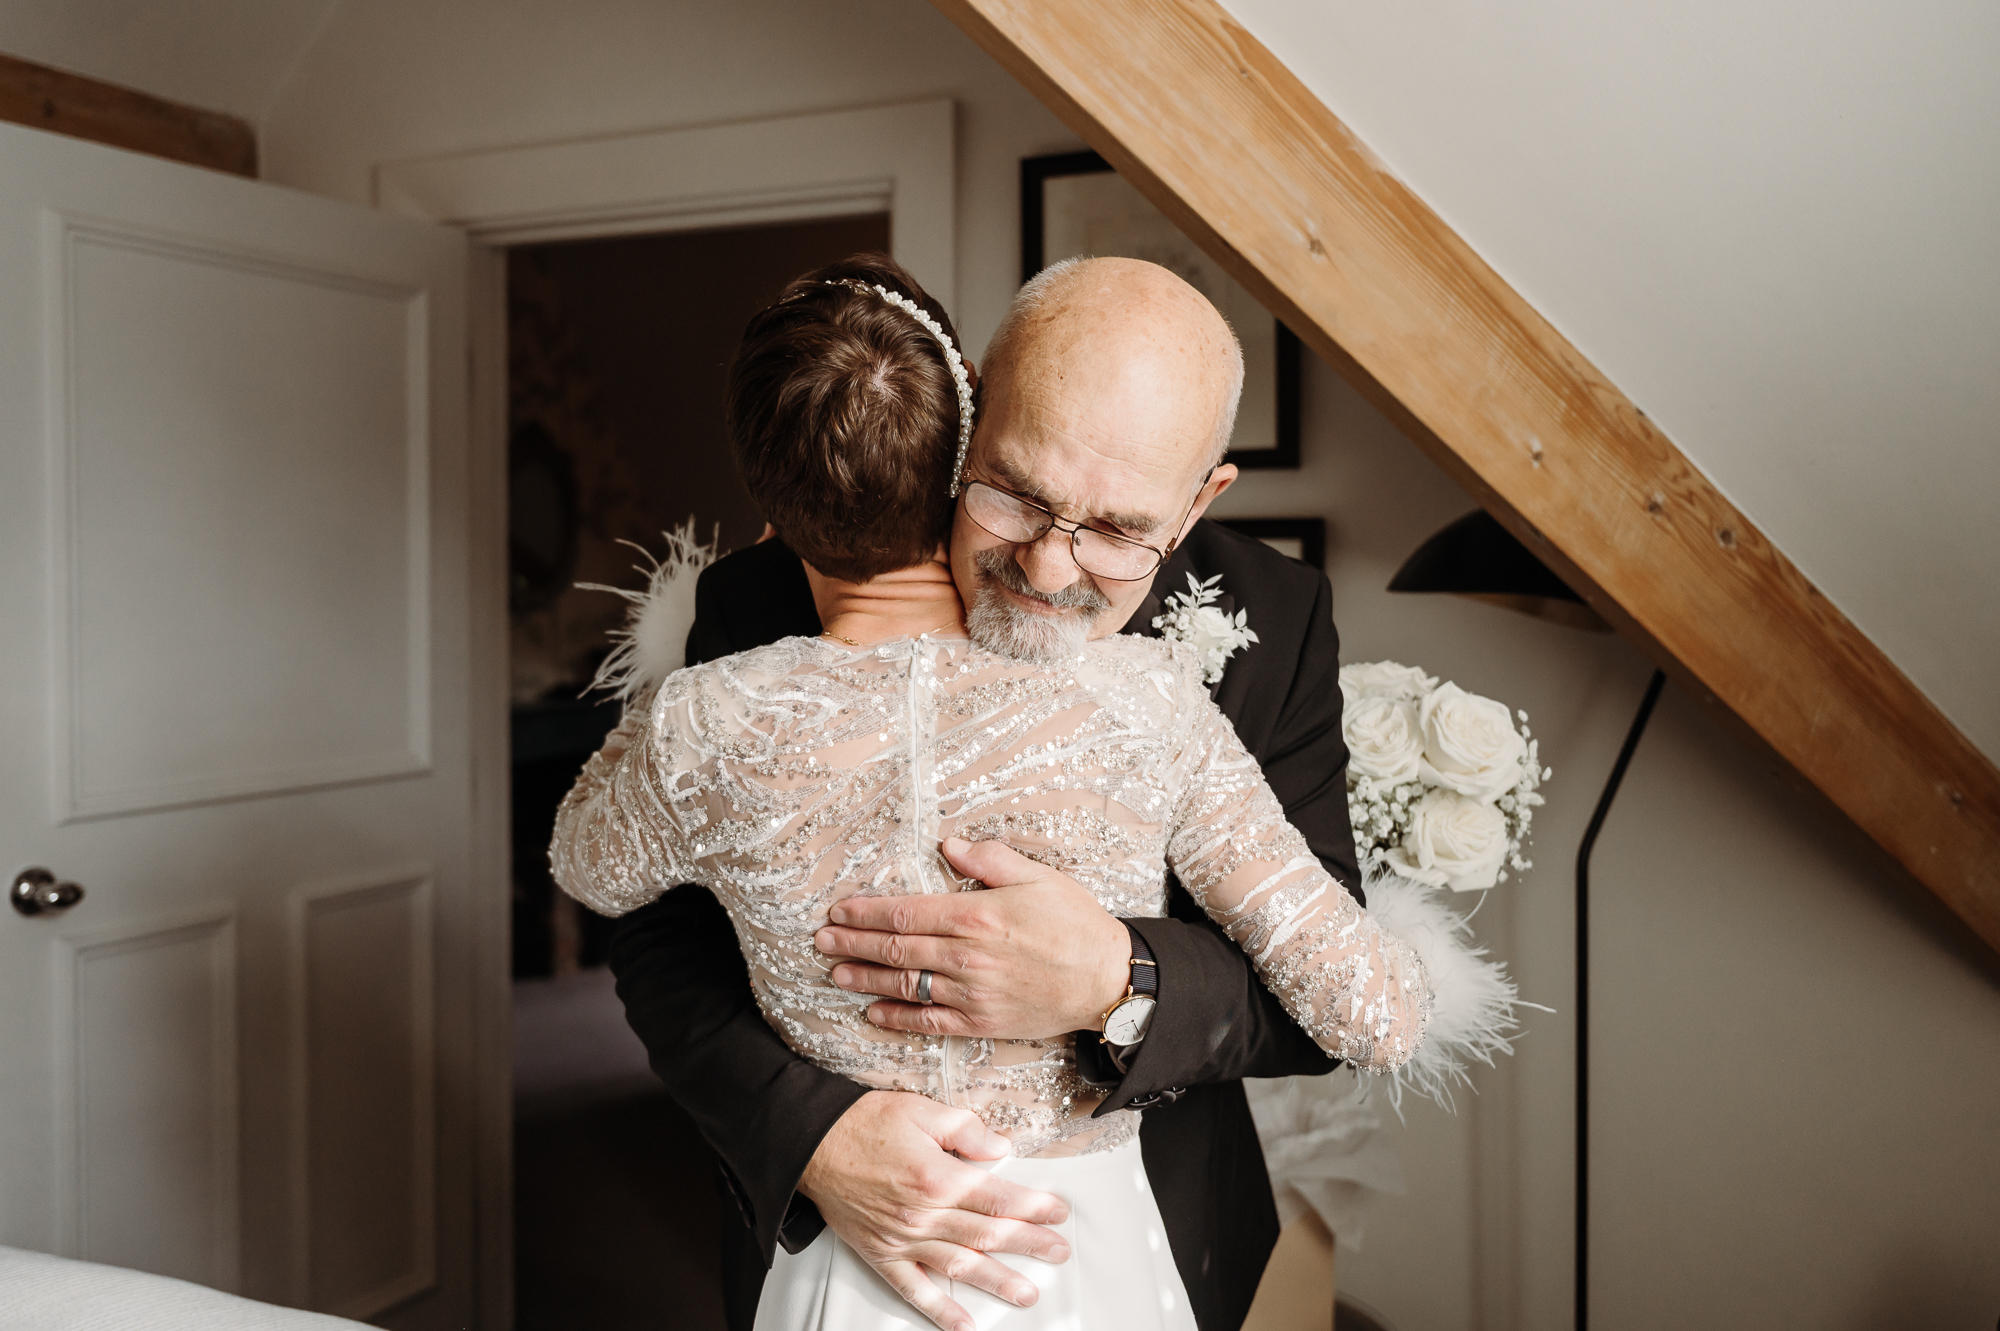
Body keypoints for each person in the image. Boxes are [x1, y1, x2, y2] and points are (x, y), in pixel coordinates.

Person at [555, 255, 1429, 1331]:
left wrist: (1116, 973)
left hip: (1139, 1225)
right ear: (971, 402)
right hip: (834, 1234)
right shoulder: (762, 591)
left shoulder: (1276, 615)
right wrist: (814, 1132)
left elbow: (1318, 1000)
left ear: (1200, 497)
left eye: (1117, 530)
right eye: (1015, 493)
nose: (1053, 571)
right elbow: (657, 928)